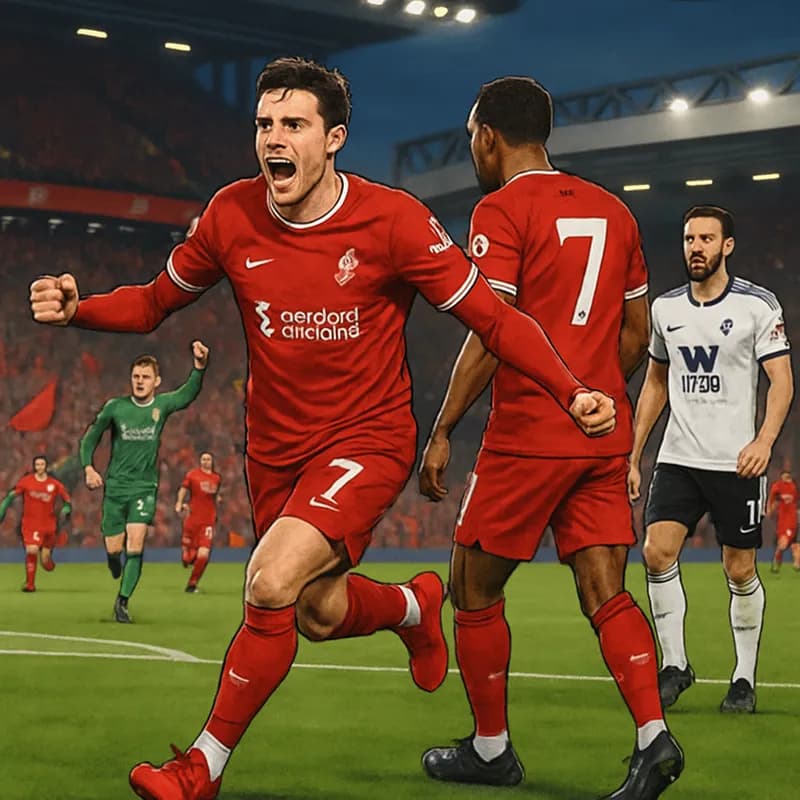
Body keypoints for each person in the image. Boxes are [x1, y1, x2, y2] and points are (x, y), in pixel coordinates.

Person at [29, 57, 616, 800]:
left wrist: (571, 389)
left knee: (268, 580)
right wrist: (80, 306)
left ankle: (200, 766)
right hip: (274, 450)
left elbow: (492, 317)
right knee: (314, 609)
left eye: (294, 125)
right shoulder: (230, 215)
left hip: (368, 441)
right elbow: (152, 303)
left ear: (333, 137)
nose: (275, 139)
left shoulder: (393, 221)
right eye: (264, 125)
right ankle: (412, 606)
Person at [417, 76, 681, 799]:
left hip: (529, 433)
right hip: (603, 434)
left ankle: (492, 749)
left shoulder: (500, 209)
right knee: (605, 591)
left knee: (470, 585)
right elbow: (637, 332)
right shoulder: (614, 211)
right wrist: (594, 390)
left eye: (473, 134)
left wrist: (442, 429)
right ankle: (653, 738)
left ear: (488, 136)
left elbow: (492, 331)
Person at [628, 205, 793, 715]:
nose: (694, 247)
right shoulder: (666, 309)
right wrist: (635, 454)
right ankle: (675, 665)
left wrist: (764, 441)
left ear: (727, 246)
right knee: (656, 552)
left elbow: (782, 381)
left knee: (739, 566)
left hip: (736, 462)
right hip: (678, 457)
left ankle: (743, 677)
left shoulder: (758, 306)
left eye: (705, 238)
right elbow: (655, 381)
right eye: (688, 238)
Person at [79, 344, 208, 623]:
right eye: (136, 376)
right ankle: (114, 560)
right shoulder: (116, 407)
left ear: (156, 382)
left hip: (143, 488)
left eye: (145, 377)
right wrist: (88, 467)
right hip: (115, 488)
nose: (140, 381)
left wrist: (199, 367)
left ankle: (122, 602)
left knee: (135, 544)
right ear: (131, 379)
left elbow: (187, 395)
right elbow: (90, 438)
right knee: (115, 549)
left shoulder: (161, 405)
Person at [0, 455, 71, 592]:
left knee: (45, 563)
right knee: (31, 551)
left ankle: (48, 562)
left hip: (49, 526)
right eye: (37, 464)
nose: (39, 467)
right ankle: (30, 585)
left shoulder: (54, 484)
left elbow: (67, 499)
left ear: (46, 466)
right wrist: (2, 510)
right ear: (34, 466)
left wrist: (67, 508)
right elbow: (10, 496)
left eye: (42, 464)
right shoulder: (26, 482)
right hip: (30, 525)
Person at [177, 451, 222, 592]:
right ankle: (187, 558)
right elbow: (183, 489)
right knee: (187, 557)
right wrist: (179, 503)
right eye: (203, 459)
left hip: (207, 522)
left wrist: (218, 500)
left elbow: (215, 496)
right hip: (192, 519)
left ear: (212, 461)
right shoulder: (192, 475)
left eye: (208, 459)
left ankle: (192, 584)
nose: (206, 461)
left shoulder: (216, 478)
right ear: (200, 461)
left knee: (203, 555)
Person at [768, 469, 799, 572]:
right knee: (783, 544)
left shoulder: (794, 487)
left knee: (795, 545)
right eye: (784, 478)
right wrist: (770, 510)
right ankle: (777, 562)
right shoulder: (778, 487)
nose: (786, 480)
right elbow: (772, 500)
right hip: (784, 522)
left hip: (793, 521)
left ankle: (796, 564)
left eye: (788, 478)